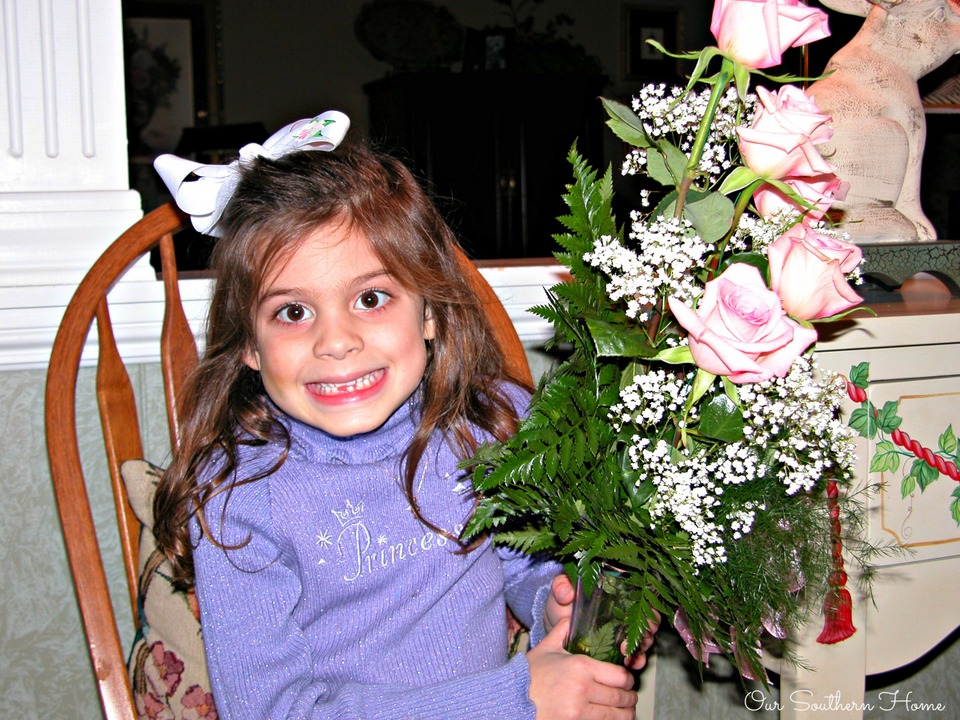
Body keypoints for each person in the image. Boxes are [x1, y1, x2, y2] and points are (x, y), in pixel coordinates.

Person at [152, 111, 655, 720]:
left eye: (371, 299)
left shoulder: (486, 425)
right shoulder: (239, 498)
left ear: (430, 313)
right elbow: (270, 711)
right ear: (250, 347)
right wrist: (512, 699)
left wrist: (551, 603)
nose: (335, 341)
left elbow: (521, 559)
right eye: (292, 312)